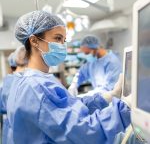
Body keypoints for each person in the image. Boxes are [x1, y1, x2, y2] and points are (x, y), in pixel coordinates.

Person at [4, 10, 131, 144]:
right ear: (34, 41)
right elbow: (86, 133)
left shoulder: (28, 80)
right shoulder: (37, 87)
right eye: (58, 38)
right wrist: (125, 107)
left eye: (64, 40)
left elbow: (71, 108)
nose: (62, 46)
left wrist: (106, 97)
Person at [0, 45, 27, 144]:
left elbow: (3, 107)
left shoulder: (9, 80)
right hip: (23, 129)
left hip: (11, 128)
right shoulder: (29, 80)